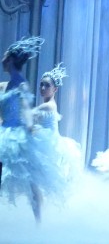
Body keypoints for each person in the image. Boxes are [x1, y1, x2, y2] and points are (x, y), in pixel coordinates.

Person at [0, 36, 46, 223]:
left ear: (10, 60)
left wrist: (30, 126)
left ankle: (39, 222)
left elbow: (26, 106)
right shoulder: (7, 84)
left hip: (16, 136)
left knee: (30, 180)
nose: (2, 59)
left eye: (4, 56)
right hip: (4, 132)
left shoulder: (20, 83)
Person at [30, 63, 84, 203]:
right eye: (41, 84)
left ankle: (42, 212)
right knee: (37, 184)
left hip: (49, 146)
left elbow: (28, 116)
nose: (42, 88)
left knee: (40, 183)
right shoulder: (46, 104)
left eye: (47, 85)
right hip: (44, 143)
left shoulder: (48, 105)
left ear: (55, 89)